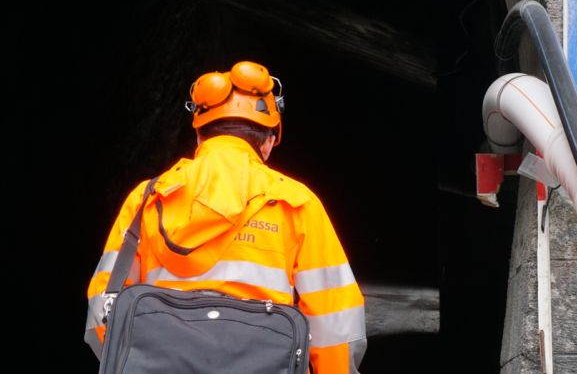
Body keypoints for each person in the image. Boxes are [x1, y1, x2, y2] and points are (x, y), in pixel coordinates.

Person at [84, 60, 367, 373]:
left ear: (199, 138)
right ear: (270, 142)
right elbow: (336, 325)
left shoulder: (147, 198)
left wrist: (140, 358)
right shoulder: (297, 203)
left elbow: (102, 309)